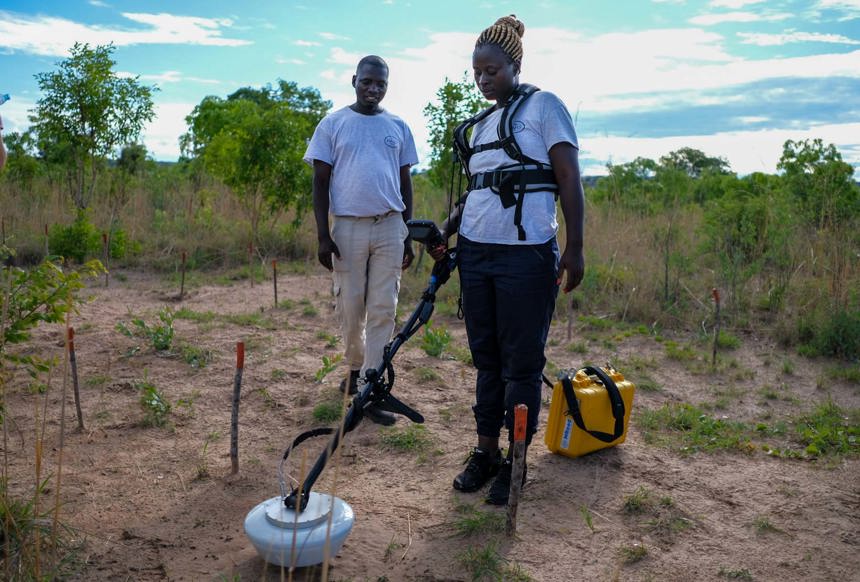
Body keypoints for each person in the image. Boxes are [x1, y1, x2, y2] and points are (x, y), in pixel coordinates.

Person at [430, 15, 585, 504]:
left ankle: (516, 464)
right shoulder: (480, 126)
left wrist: (576, 248)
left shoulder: (545, 107)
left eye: (491, 70)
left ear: (514, 65)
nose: (483, 80)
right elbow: (476, 191)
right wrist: (445, 231)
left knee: (521, 362)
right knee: (487, 360)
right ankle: (486, 451)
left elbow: (569, 178)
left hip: (527, 255)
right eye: (476, 72)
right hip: (477, 252)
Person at [304, 55, 419, 426]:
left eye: (380, 84)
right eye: (367, 81)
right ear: (355, 80)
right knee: (351, 307)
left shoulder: (398, 126)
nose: (373, 89)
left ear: (387, 85)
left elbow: (405, 183)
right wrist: (324, 235)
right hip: (348, 228)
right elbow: (320, 182)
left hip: (389, 226)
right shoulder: (333, 124)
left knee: (384, 308)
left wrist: (408, 232)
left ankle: (370, 387)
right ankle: (355, 368)